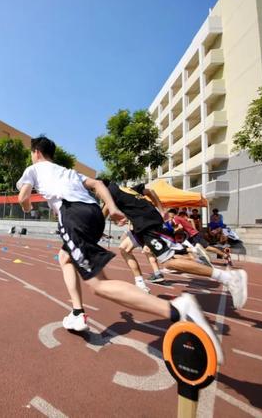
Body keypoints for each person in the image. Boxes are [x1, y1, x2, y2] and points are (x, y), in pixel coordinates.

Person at [16, 135, 225, 364]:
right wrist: (113, 208)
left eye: (32, 153)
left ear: (36, 152)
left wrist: (26, 206)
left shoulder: (33, 169)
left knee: (99, 285)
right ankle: (77, 313)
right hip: (94, 214)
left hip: (72, 215)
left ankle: (176, 309)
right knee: (65, 257)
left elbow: (24, 196)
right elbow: (97, 184)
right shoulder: (66, 171)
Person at [102, 180, 247, 308]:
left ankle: (224, 276)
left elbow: (103, 214)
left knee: (168, 262)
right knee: (124, 248)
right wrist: (161, 209)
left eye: (95, 191)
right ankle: (141, 284)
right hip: (140, 226)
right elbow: (149, 191)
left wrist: (91, 231)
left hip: (147, 226)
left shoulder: (109, 191)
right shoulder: (126, 189)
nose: (97, 194)